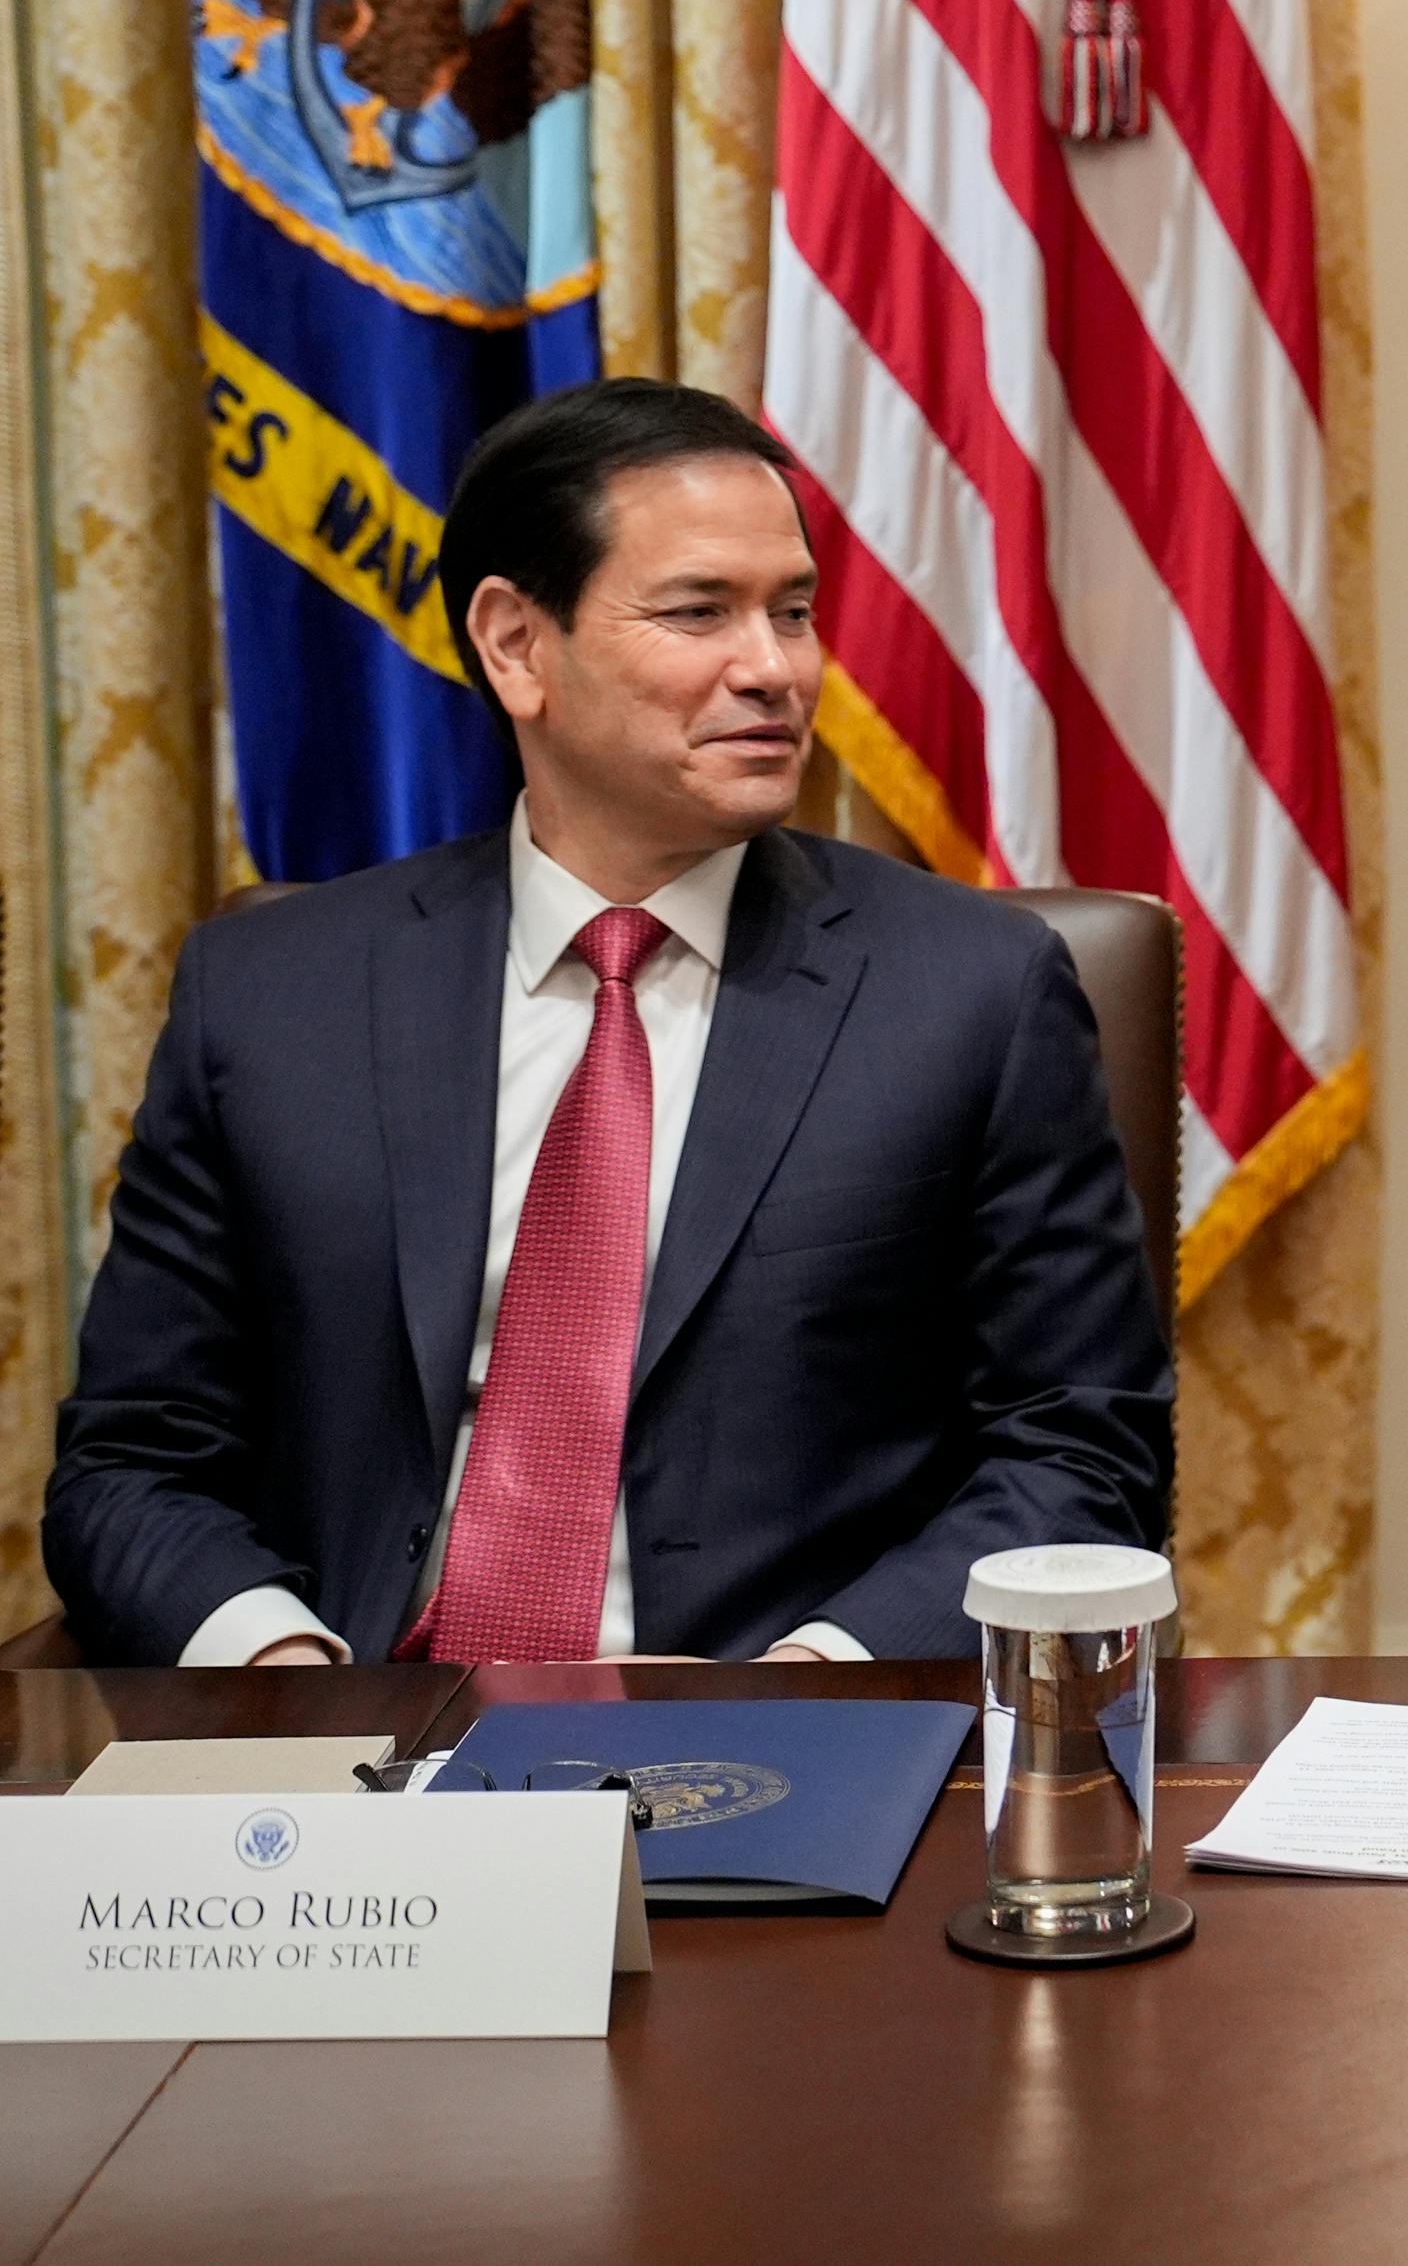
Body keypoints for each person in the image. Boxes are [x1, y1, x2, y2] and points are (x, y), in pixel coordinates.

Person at [45, 379, 1172, 1666]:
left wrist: (817, 1685)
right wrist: (282, 1674)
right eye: (700, 612)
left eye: (792, 612)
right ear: (517, 645)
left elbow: (1081, 1452)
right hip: (353, 1729)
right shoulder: (271, 996)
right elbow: (133, 1461)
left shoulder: (971, 993)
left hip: (788, 1727)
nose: (774, 669)